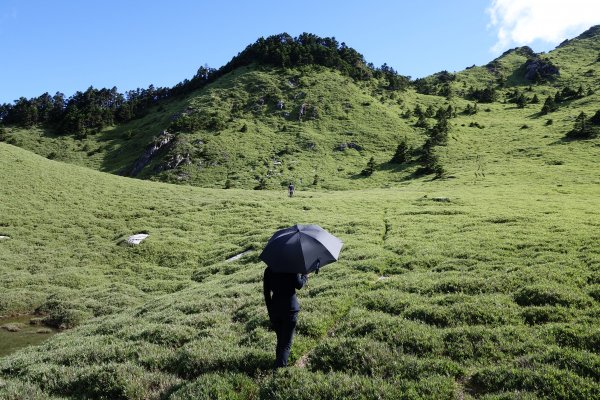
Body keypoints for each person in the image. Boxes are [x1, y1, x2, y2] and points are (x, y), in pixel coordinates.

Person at [263, 266, 308, 368]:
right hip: (290, 310)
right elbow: (299, 285)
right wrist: (305, 275)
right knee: (286, 344)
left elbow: (266, 293)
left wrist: (271, 312)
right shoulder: (291, 267)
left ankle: (278, 363)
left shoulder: (269, 270)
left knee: (281, 340)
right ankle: (279, 371)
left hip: (275, 310)